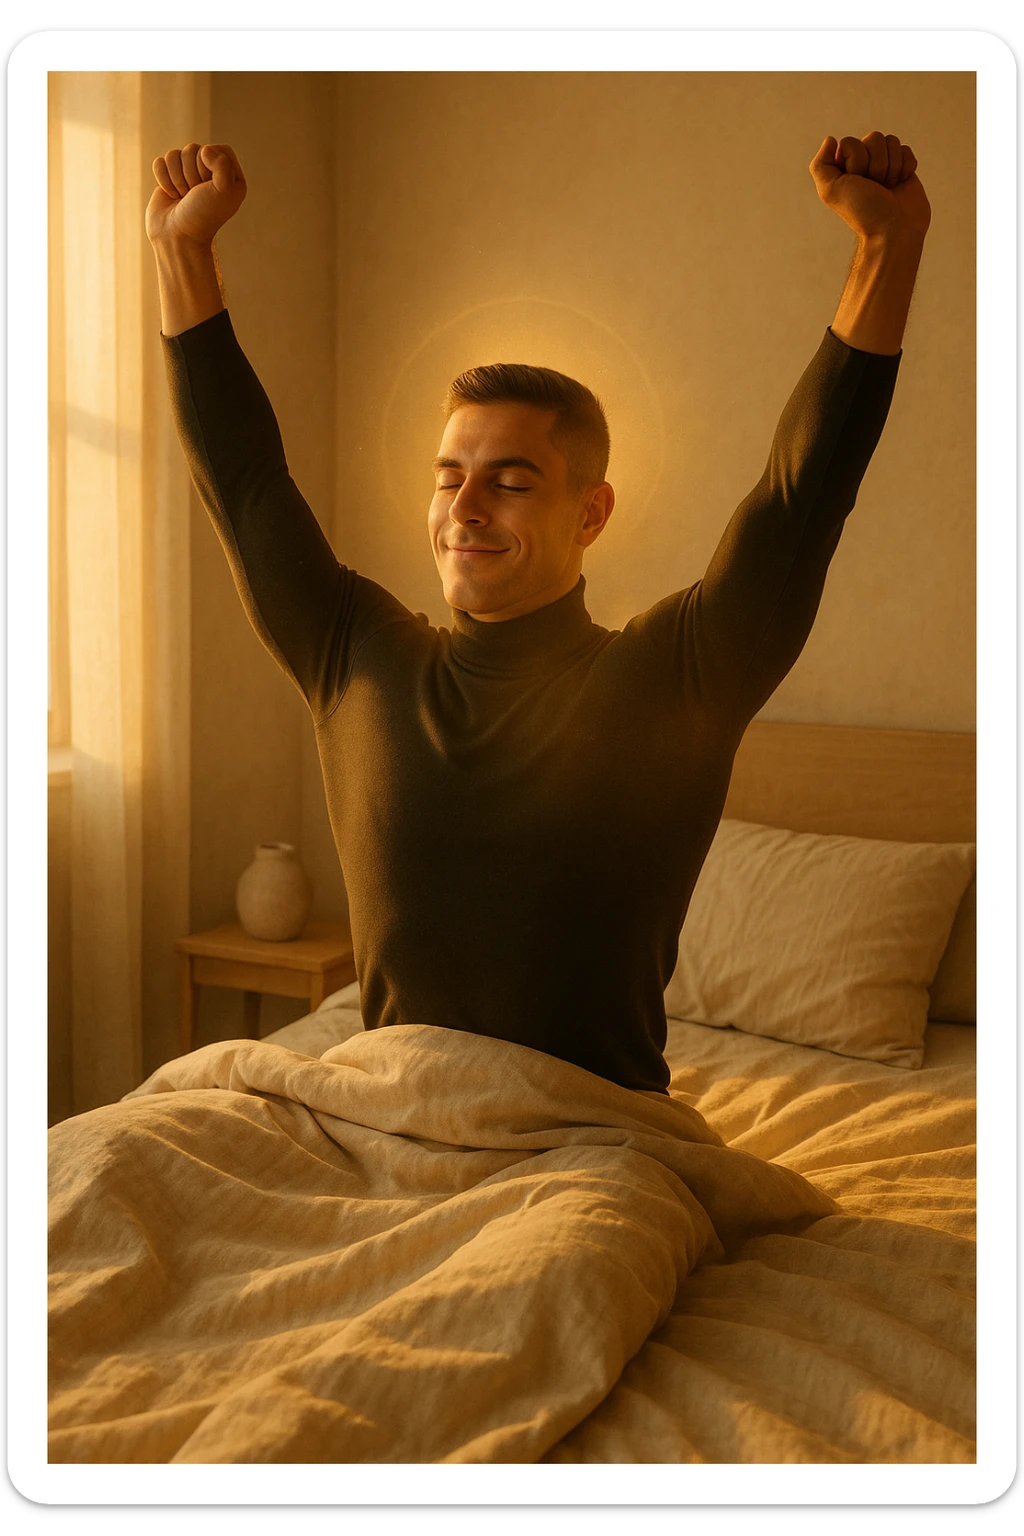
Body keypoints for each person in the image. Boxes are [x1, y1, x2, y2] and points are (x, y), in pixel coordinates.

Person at [147, 132, 930, 1095]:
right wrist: (182, 250)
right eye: (449, 478)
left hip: (588, 1133)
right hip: (382, 1116)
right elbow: (244, 481)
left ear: (590, 513)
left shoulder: (675, 678)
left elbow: (800, 496)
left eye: (510, 482)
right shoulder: (355, 657)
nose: (466, 509)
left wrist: (887, 247)